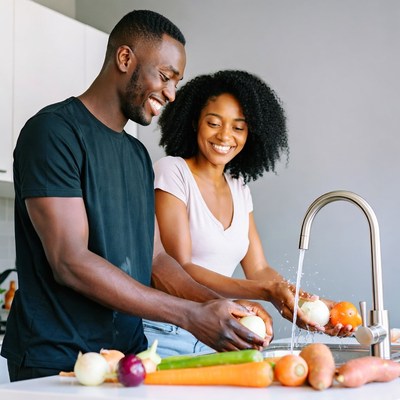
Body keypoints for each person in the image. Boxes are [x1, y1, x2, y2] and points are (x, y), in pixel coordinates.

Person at [1, 12, 272, 382]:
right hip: (56, 360)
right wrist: (188, 315)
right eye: (164, 77)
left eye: (177, 82)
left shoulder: (137, 155)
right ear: (125, 59)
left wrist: (214, 303)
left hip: (127, 357)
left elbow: (157, 259)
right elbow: (70, 261)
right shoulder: (53, 133)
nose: (172, 94)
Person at [144, 70, 357, 357]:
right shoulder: (172, 172)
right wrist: (267, 292)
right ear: (195, 123)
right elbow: (182, 268)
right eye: (214, 123)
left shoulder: (239, 187)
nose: (224, 136)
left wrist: (306, 305)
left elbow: (258, 269)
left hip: (222, 330)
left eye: (238, 127)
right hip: (169, 332)